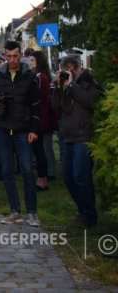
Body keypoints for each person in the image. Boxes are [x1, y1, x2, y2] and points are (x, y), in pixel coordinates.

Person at [0, 40, 41, 226]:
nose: (12, 60)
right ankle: (15, 210)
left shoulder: (29, 76)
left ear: (20, 56)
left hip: (23, 130)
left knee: (27, 170)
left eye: (15, 56)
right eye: (9, 56)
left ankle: (32, 212)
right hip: (2, 129)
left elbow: (36, 105)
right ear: (4, 56)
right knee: (7, 171)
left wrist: (34, 129)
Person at [51, 55, 102, 227]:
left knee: (81, 176)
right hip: (67, 136)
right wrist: (58, 87)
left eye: (67, 70)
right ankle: (82, 211)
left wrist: (72, 85)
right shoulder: (63, 84)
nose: (65, 73)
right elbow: (55, 106)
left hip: (83, 136)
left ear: (75, 68)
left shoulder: (90, 81)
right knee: (68, 177)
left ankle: (90, 215)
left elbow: (90, 102)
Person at [29, 50, 54, 190]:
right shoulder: (38, 76)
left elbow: (38, 97)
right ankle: (42, 177)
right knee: (38, 150)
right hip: (39, 116)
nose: (30, 63)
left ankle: (42, 179)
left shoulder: (40, 77)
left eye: (32, 60)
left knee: (40, 151)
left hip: (39, 117)